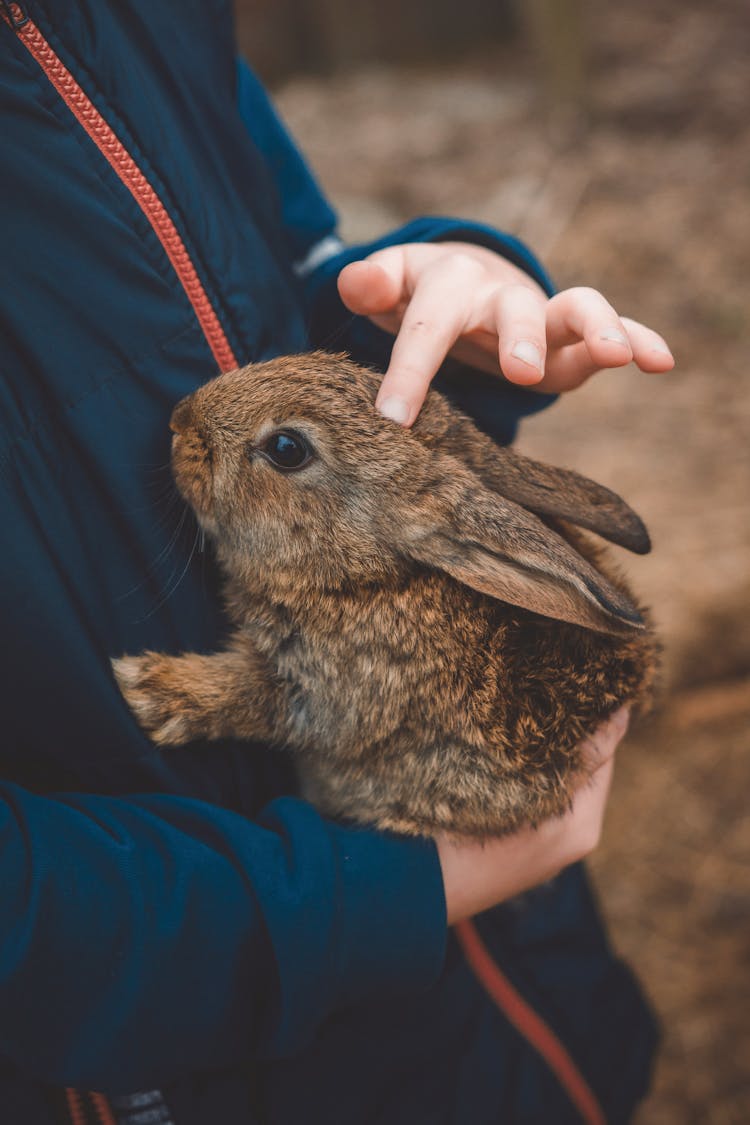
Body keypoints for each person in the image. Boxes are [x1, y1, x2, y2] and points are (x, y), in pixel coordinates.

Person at [0, 3, 673, 1123]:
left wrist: (444, 312)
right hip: (170, 1057)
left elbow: (286, 268)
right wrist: (360, 903)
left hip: (499, 992)